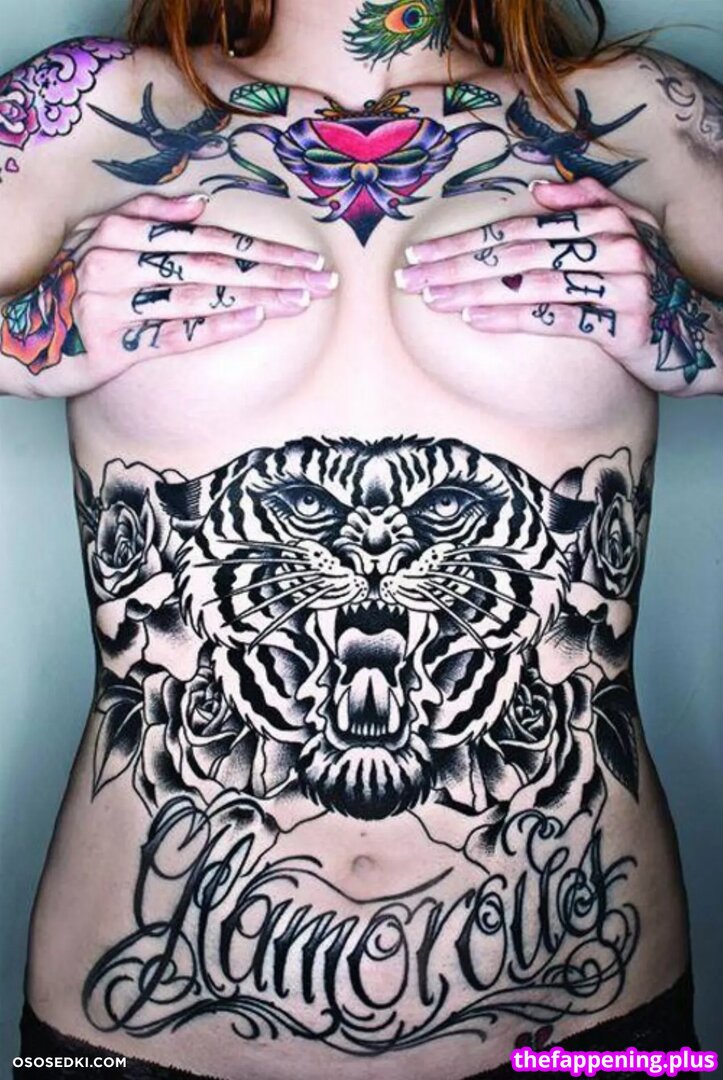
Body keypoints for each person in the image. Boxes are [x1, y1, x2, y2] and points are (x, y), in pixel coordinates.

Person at [2, 1, 721, 1077]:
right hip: (130, 1034)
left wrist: (688, 324)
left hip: (593, 1030)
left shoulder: (632, 115)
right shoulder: (90, 109)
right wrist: (31, 333)